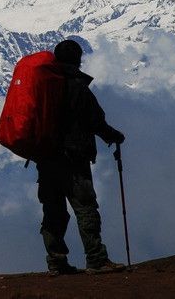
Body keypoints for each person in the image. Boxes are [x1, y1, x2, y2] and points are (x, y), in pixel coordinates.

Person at [37, 39, 127, 275]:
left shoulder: (44, 86)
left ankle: (56, 261)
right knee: (85, 208)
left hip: (45, 159)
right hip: (73, 159)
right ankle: (96, 259)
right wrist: (114, 136)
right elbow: (96, 121)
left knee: (53, 211)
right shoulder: (78, 87)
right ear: (78, 60)